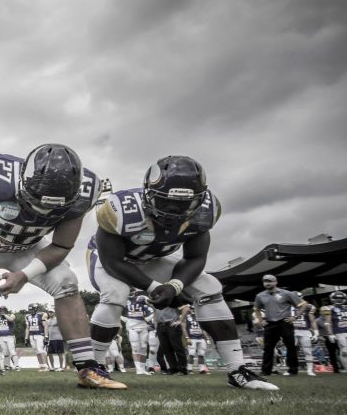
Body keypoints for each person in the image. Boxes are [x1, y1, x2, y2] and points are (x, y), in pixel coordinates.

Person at [0, 144, 124, 390]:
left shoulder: (85, 192)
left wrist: (25, 275)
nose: (43, 211)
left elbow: (60, 245)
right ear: (24, 180)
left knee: (67, 282)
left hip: (28, 247)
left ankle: (86, 366)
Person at [87, 156, 276, 390]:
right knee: (115, 294)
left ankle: (237, 370)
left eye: (184, 203)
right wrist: (154, 287)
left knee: (210, 288)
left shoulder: (206, 210)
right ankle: (93, 368)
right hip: (111, 259)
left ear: (199, 199)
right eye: (168, 202)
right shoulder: (120, 209)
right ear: (148, 192)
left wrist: (175, 285)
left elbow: (195, 257)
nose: (175, 210)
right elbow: (113, 262)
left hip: (154, 258)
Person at [253, 275, 310, 377]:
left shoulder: (286, 293)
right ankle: (266, 371)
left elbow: (304, 305)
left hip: (285, 322)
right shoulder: (260, 296)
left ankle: (293, 370)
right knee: (268, 348)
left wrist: (295, 317)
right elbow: (256, 309)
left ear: (275, 282)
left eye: (269, 281)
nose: (267, 283)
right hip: (270, 323)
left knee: (290, 347)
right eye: (265, 281)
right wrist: (261, 321)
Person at [123, 294, 154, 375]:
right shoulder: (125, 300)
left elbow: (153, 310)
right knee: (135, 347)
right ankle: (138, 369)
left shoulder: (144, 301)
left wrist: (148, 317)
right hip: (132, 326)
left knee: (143, 347)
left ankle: (143, 368)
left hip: (143, 326)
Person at [290, 292, 319, 377]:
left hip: (305, 331)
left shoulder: (308, 306)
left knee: (308, 351)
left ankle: (310, 370)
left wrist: (316, 332)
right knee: (291, 351)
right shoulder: (285, 306)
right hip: (292, 330)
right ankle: (291, 369)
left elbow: (312, 320)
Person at [321, 292, 347, 372]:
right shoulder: (327, 308)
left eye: (340, 298)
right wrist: (330, 333)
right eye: (337, 298)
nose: (339, 300)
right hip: (339, 333)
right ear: (333, 299)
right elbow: (327, 322)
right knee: (345, 350)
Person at [180, 305, 210, 374]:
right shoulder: (186, 317)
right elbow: (183, 327)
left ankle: (202, 369)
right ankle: (189, 369)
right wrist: (187, 337)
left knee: (201, 354)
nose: (192, 310)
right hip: (192, 338)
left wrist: (207, 338)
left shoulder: (199, 317)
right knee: (191, 353)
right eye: (191, 309)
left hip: (201, 337)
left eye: (193, 309)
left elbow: (203, 329)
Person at [0, 307, 19, 372]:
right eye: (1, 311)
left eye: (3, 310)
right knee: (5, 353)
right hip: (1, 336)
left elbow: (11, 319)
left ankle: (16, 365)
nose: (2, 312)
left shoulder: (11, 315)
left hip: (10, 336)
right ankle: (7, 365)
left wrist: (4, 315)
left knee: (12, 351)